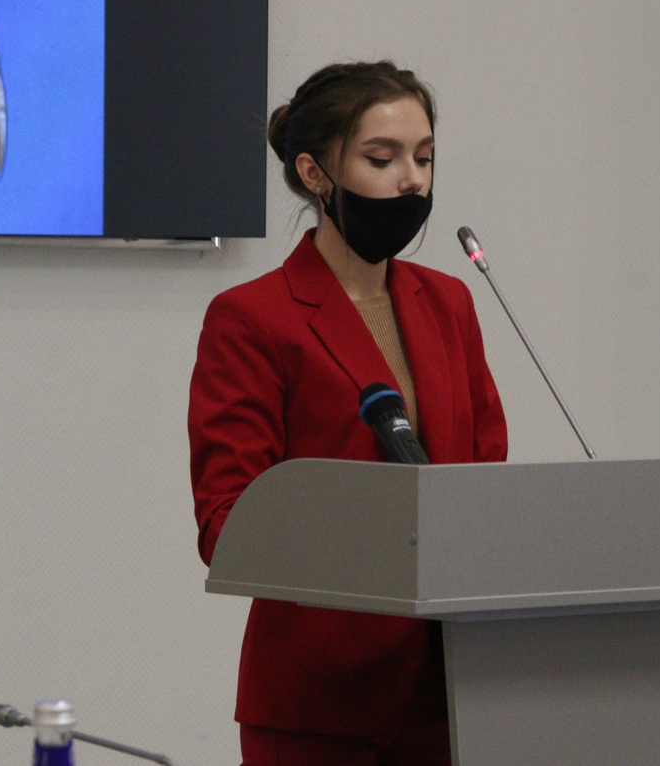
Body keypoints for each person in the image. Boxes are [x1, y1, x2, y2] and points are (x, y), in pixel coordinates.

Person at [188, 61, 508, 765]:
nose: (412, 181)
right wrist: (389, 540)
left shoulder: (450, 302)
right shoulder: (251, 318)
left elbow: (486, 474)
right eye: (382, 159)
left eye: (424, 158)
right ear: (314, 173)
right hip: (320, 700)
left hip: (454, 693)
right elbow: (226, 523)